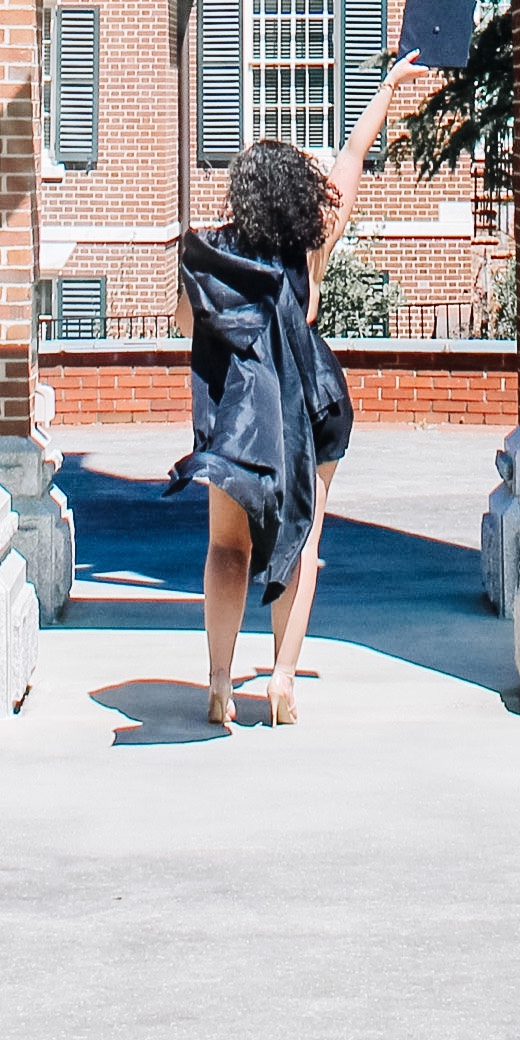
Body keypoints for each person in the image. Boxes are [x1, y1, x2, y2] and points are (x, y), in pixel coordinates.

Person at [172, 48, 420, 729]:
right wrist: (388, 86)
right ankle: (280, 681)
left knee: (227, 547)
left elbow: (186, 323)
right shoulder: (313, 243)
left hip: (244, 414)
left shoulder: (213, 256)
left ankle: (220, 684)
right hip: (310, 401)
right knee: (303, 541)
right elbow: (352, 157)